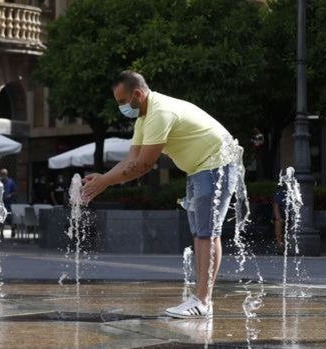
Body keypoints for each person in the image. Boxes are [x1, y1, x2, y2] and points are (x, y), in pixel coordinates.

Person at [82, 71, 237, 319]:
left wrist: (104, 183)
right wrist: (103, 178)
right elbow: (131, 159)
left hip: (216, 164)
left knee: (208, 231)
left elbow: (143, 165)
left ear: (138, 94)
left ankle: (203, 301)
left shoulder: (159, 112)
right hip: (199, 168)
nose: (121, 107)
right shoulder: (144, 118)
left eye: (123, 101)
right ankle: (199, 298)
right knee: (200, 232)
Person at [0, 169, 17, 238]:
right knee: (1, 219)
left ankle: (13, 230)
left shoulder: (11, 182)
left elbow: (15, 191)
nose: (2, 176)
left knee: (10, 219)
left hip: (9, 203)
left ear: (6, 174)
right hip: (1, 204)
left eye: (3, 174)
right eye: (1, 174)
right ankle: (1, 233)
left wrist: (10, 195)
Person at [272, 184, 287, 253]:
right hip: (283, 215)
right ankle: (279, 244)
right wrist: (278, 217)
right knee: (278, 222)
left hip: (292, 216)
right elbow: (276, 206)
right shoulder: (280, 192)